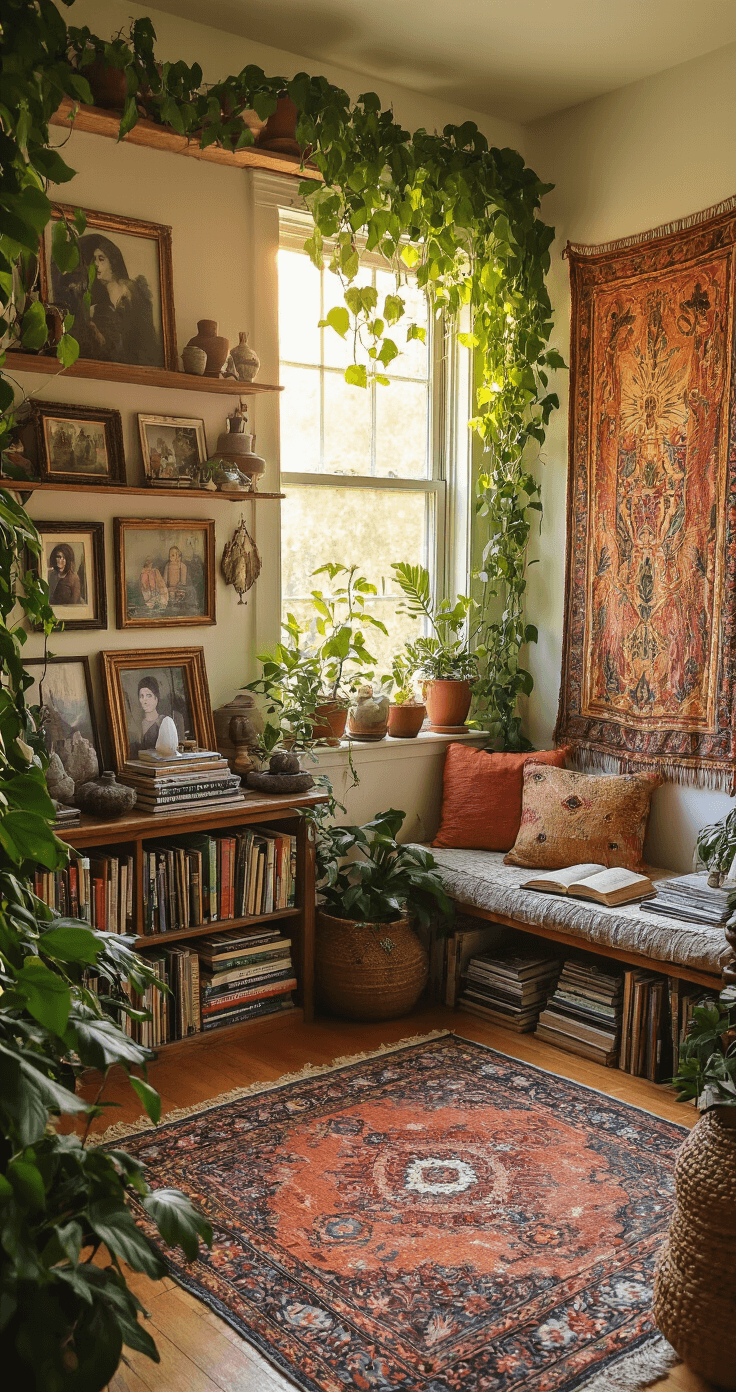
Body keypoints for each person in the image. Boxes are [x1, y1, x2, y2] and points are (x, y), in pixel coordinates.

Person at [73, 233, 162, 367]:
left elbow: (142, 328)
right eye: (94, 259)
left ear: (113, 262)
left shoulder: (129, 289)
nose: (96, 264)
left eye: (101, 259)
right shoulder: (99, 302)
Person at [129, 675, 183, 758]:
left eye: (149, 695)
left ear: (156, 698)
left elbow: (169, 753)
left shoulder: (165, 722)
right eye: (141, 696)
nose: (144, 700)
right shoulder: (138, 723)